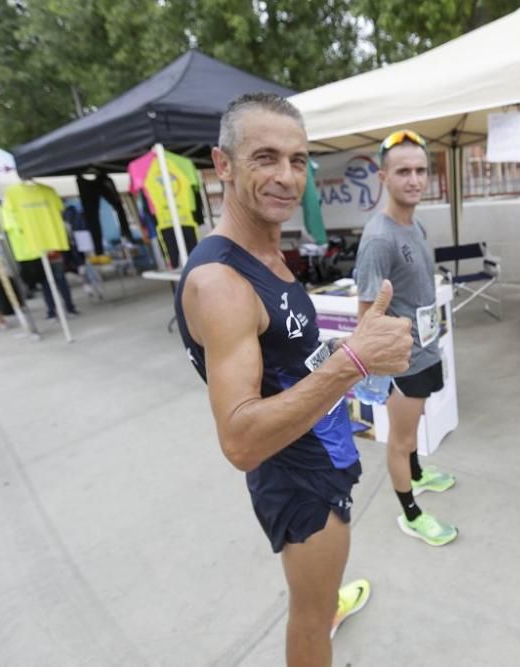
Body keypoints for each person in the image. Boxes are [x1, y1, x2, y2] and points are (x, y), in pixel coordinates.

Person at [174, 93, 413, 667]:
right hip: (296, 479)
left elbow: (283, 359)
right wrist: (353, 361)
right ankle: (323, 608)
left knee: (321, 592)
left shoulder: (267, 252)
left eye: (299, 160)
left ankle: (328, 597)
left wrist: (344, 354)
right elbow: (240, 440)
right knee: (308, 621)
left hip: (318, 452)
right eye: (265, 158)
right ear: (223, 164)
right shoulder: (222, 283)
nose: (287, 177)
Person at [354, 129, 459, 547]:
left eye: (420, 170)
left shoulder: (415, 225)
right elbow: (367, 320)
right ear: (383, 177)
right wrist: (385, 366)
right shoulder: (379, 239)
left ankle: (417, 473)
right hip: (401, 361)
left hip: (426, 348)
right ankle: (411, 514)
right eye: (403, 172)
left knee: (413, 430)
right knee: (399, 440)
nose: (414, 180)